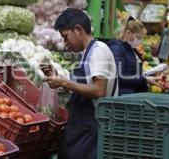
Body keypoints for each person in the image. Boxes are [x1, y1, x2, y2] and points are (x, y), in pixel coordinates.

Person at [40, 8, 118, 159]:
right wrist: (57, 78)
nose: (65, 43)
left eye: (66, 36)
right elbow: (83, 88)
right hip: (82, 129)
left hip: (92, 130)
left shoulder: (98, 51)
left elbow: (98, 90)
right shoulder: (86, 53)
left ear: (78, 29)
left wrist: (63, 82)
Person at [108, 14, 160, 96]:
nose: (140, 41)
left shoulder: (130, 48)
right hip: (123, 97)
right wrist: (145, 79)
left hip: (131, 95)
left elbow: (131, 72)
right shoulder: (117, 48)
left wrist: (147, 77)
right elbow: (120, 76)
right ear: (128, 33)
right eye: (138, 38)